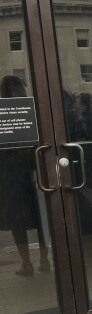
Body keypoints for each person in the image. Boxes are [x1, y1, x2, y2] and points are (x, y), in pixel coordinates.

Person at [0, 75, 50, 276]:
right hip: (33, 167)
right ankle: (44, 260)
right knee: (40, 218)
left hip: (9, 173)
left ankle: (26, 263)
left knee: (16, 220)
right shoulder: (32, 111)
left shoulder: (3, 111)